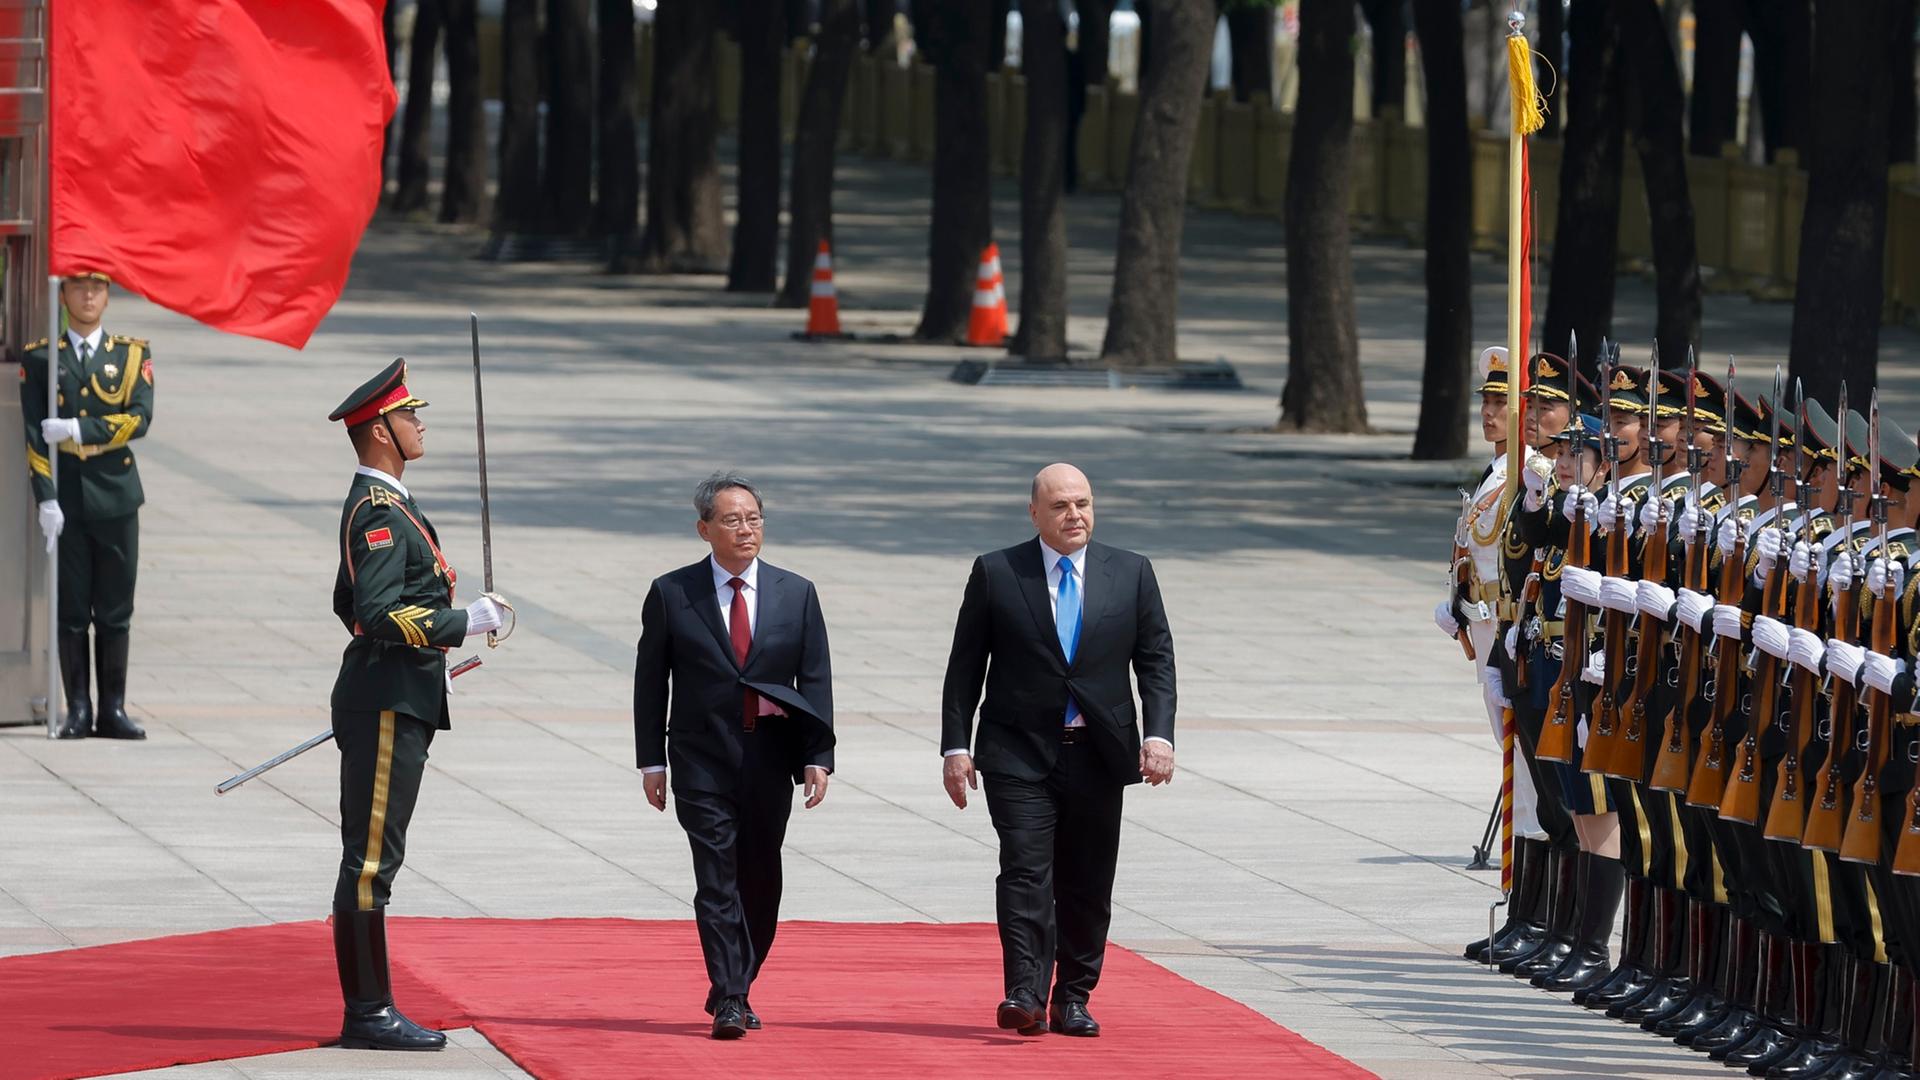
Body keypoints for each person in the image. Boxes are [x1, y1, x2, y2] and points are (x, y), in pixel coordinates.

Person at [940, 462, 1176, 1038]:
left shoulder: (1132, 572)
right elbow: (965, 666)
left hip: (1100, 750)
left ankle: (1073, 994)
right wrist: (955, 746)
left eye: (1084, 504)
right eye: (1061, 506)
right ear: (1034, 513)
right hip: (1016, 751)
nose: (1076, 516)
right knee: (1024, 870)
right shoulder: (997, 572)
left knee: (1088, 880)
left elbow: (1155, 660)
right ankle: (1024, 990)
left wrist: (1158, 735)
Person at [326, 358, 508, 1051]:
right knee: (370, 860)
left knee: (376, 856)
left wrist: (424, 654)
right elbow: (372, 611)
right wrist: (462, 623)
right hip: (383, 704)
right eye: (409, 415)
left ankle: (369, 1008)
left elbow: (346, 603)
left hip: (393, 692)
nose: (419, 423)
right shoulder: (377, 512)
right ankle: (367, 1013)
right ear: (380, 431)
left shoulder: (391, 504)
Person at [633, 471, 835, 1040]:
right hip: (701, 757)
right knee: (715, 876)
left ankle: (737, 978)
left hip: (771, 755)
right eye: (731, 520)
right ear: (704, 529)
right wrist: (653, 761)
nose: (745, 529)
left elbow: (815, 678)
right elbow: (651, 683)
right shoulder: (673, 593)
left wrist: (818, 755)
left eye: (753, 518)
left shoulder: (796, 593)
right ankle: (730, 997)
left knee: (761, 877)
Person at [17, 272, 154, 739]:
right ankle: (78, 708)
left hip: (116, 497)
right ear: (62, 295)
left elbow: (139, 418)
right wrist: (47, 498)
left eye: (97, 288)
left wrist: (78, 431)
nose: (88, 295)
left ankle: (112, 709)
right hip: (69, 501)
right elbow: (34, 435)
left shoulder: (132, 355)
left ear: (109, 296)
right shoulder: (40, 357)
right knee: (72, 609)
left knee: (115, 609)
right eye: (78, 287)